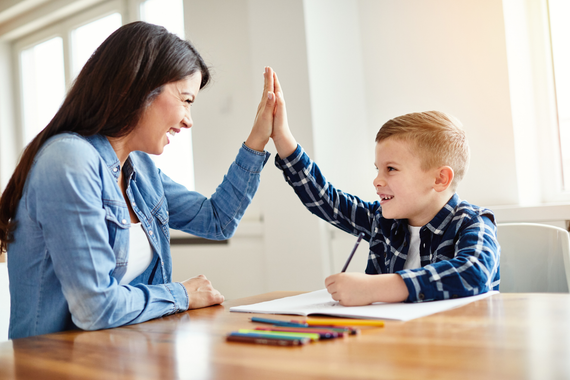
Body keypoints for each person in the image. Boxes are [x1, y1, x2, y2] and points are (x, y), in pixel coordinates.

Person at [0, 21, 279, 339]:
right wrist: (182, 294)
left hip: (126, 356)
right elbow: (96, 308)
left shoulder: (140, 169)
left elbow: (217, 221)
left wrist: (257, 140)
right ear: (139, 87)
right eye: (186, 100)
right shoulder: (69, 161)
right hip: (55, 366)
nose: (189, 120)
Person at [268, 74, 500, 305]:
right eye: (377, 169)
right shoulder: (382, 220)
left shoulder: (473, 222)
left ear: (440, 179)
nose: (377, 181)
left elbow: (474, 272)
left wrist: (375, 289)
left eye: (391, 169)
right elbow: (326, 200)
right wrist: (282, 138)